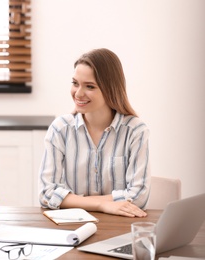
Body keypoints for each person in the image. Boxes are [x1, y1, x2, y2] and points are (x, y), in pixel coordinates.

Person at [38, 48, 150, 218]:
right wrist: (101, 205)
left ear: (110, 89)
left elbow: (138, 195)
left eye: (90, 86)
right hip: (73, 228)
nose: (78, 93)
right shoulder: (60, 129)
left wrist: (71, 200)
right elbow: (47, 193)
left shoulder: (135, 131)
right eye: (75, 83)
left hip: (120, 227)